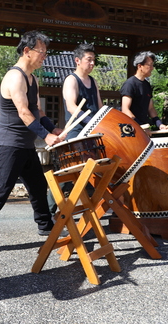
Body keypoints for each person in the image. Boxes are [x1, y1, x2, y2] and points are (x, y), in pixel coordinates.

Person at [0, 30, 63, 260]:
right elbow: (23, 112)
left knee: (38, 186)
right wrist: (46, 137)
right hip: (10, 146)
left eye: (46, 52)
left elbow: (37, 111)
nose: (45, 57)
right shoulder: (15, 77)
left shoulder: (32, 78)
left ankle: (44, 225)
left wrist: (53, 129)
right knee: (1, 190)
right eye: (42, 52)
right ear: (27, 51)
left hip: (25, 146)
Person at [46, 43, 104, 215]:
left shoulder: (93, 81)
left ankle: (94, 208)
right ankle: (48, 211)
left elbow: (99, 107)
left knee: (97, 170)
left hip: (92, 131)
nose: (92, 63)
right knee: (70, 173)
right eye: (89, 59)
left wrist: (102, 121)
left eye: (94, 60)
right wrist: (90, 121)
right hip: (76, 131)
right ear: (77, 60)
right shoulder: (71, 80)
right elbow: (72, 107)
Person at [120, 51, 166, 131]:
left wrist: (159, 123)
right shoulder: (130, 84)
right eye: (149, 65)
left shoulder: (147, 85)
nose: (152, 68)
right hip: (130, 129)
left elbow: (150, 108)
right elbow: (125, 109)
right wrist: (141, 127)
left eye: (152, 65)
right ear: (140, 66)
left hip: (143, 128)